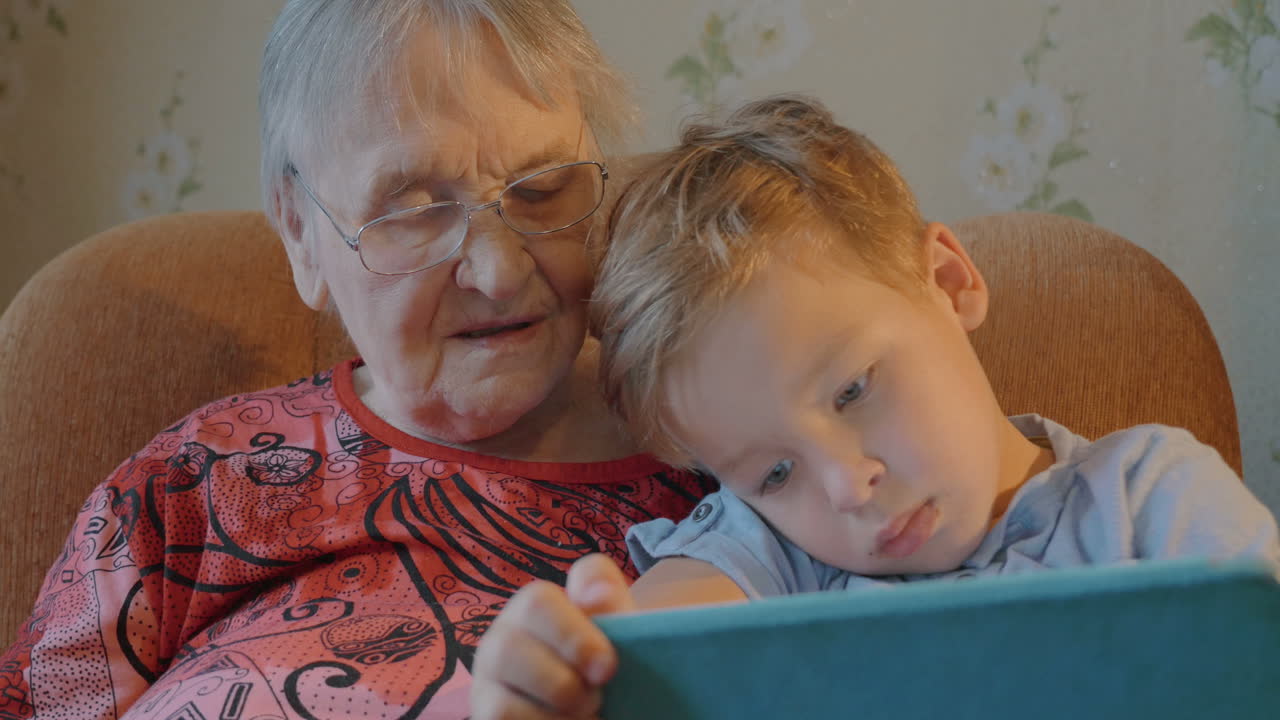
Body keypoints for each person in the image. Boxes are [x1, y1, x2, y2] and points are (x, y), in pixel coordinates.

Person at [0, 2, 717, 719]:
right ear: (301, 233)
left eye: (543, 189)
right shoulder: (196, 485)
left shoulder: (732, 460)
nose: (499, 272)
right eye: (413, 208)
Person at [468, 94, 1280, 719]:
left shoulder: (1150, 500)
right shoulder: (779, 554)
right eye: (776, 472)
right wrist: (575, 670)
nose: (847, 483)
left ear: (951, 285)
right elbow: (659, 645)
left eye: (852, 391)